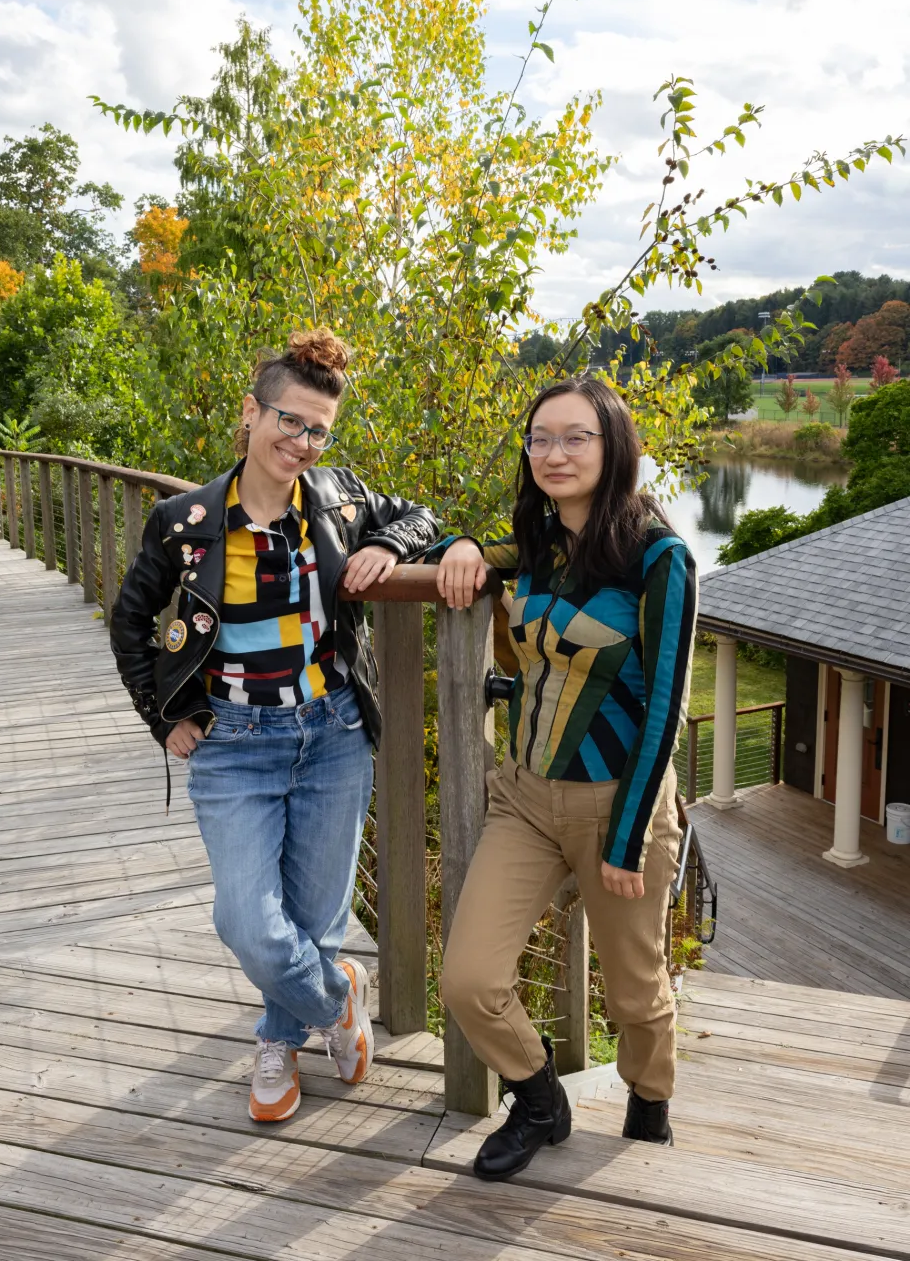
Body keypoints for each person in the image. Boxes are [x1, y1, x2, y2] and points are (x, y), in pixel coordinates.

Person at [110, 330, 438, 1123]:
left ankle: (277, 1039)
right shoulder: (184, 522)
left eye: (318, 429)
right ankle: (336, 1002)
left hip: (332, 735)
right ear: (252, 413)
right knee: (247, 923)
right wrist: (163, 718)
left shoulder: (337, 499)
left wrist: (388, 546)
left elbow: (422, 517)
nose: (301, 442)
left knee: (315, 914)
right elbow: (129, 620)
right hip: (232, 744)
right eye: (289, 422)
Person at [433, 375, 697, 1182]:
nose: (555, 453)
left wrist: (625, 841)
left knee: (635, 995)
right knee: (470, 979)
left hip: (623, 807)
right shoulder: (539, 542)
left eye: (576, 437)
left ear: (614, 445)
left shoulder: (662, 559)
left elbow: (666, 709)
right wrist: (470, 549)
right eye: (541, 437)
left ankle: (649, 1104)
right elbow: (507, 552)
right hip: (527, 798)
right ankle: (539, 1098)